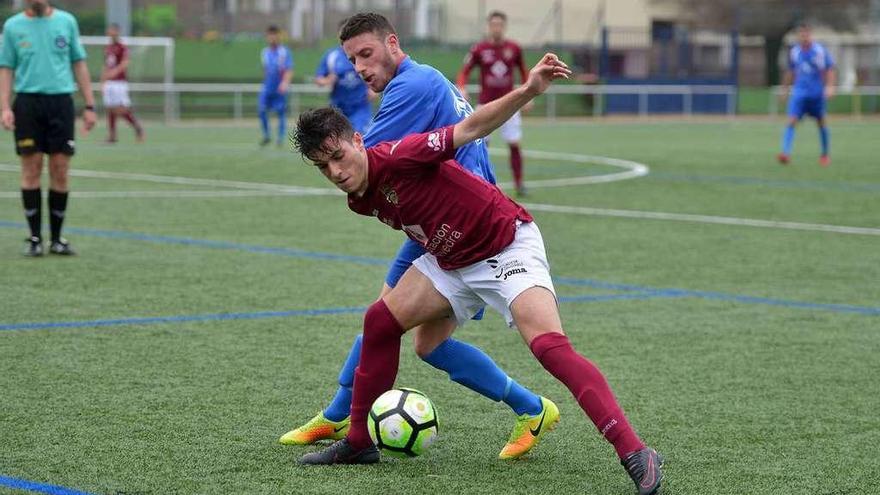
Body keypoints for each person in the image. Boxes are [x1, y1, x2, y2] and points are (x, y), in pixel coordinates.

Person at [292, 53, 663, 495]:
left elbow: (469, 129)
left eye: (337, 156)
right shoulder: (358, 196)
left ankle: (634, 450)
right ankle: (358, 442)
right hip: (450, 261)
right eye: (322, 166)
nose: (335, 171)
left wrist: (527, 91)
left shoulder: (399, 155)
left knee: (549, 347)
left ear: (358, 139)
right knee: (380, 323)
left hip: (505, 245)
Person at [279, 13, 555, 461]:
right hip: (442, 223)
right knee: (425, 343)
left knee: (385, 318)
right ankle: (532, 408)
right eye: (352, 60)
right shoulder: (427, 78)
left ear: (392, 43)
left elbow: (370, 160)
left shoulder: (410, 87)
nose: (360, 68)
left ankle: (339, 414)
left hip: (460, 228)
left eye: (365, 54)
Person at [0, 0, 97, 257]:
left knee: (60, 169)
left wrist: (90, 104)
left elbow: (79, 63)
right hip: (28, 103)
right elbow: (6, 68)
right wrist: (5, 107)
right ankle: (34, 239)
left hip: (61, 102)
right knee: (31, 168)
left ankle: (56, 239)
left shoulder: (67, 22)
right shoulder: (13, 26)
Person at [457, 11, 530, 197]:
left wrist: (528, 94)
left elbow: (524, 71)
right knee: (479, 145)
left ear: (504, 27)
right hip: (485, 105)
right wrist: (462, 88)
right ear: (489, 27)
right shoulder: (479, 49)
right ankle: (479, 182)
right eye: (493, 24)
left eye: (499, 24)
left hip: (510, 105)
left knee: (514, 143)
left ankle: (519, 183)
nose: (496, 28)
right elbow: (464, 71)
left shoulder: (514, 48)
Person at [778, 23, 835, 167]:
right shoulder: (794, 52)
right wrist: (785, 90)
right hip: (799, 94)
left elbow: (829, 69)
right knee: (791, 121)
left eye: (806, 34)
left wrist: (829, 87)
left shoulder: (819, 51)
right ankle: (785, 153)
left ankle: (825, 154)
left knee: (821, 122)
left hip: (816, 94)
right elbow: (790, 72)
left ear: (811, 35)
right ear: (798, 36)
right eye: (801, 34)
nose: (804, 37)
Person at [314, 20, 374, 134]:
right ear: (338, 34)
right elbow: (318, 79)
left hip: (360, 107)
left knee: (361, 138)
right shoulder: (331, 56)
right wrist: (328, 80)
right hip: (338, 108)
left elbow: (374, 74)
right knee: (339, 142)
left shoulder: (364, 53)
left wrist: (373, 90)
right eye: (343, 33)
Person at [101, 22, 143, 144]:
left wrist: (114, 72)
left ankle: (137, 128)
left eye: (112, 30)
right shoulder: (107, 48)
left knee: (121, 109)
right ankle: (112, 136)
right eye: (109, 30)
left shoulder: (122, 47)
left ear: (117, 31)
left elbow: (125, 63)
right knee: (110, 108)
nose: (110, 32)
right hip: (109, 82)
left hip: (119, 82)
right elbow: (105, 65)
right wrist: (103, 81)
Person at [258, 25, 293, 147]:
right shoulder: (264, 52)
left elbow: (288, 69)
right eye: (269, 35)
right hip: (267, 87)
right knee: (261, 110)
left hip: (280, 88)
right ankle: (267, 135)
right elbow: (266, 70)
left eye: (274, 35)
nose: (272, 38)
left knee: (280, 112)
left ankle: (280, 138)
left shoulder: (284, 52)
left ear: (278, 36)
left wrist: (284, 83)